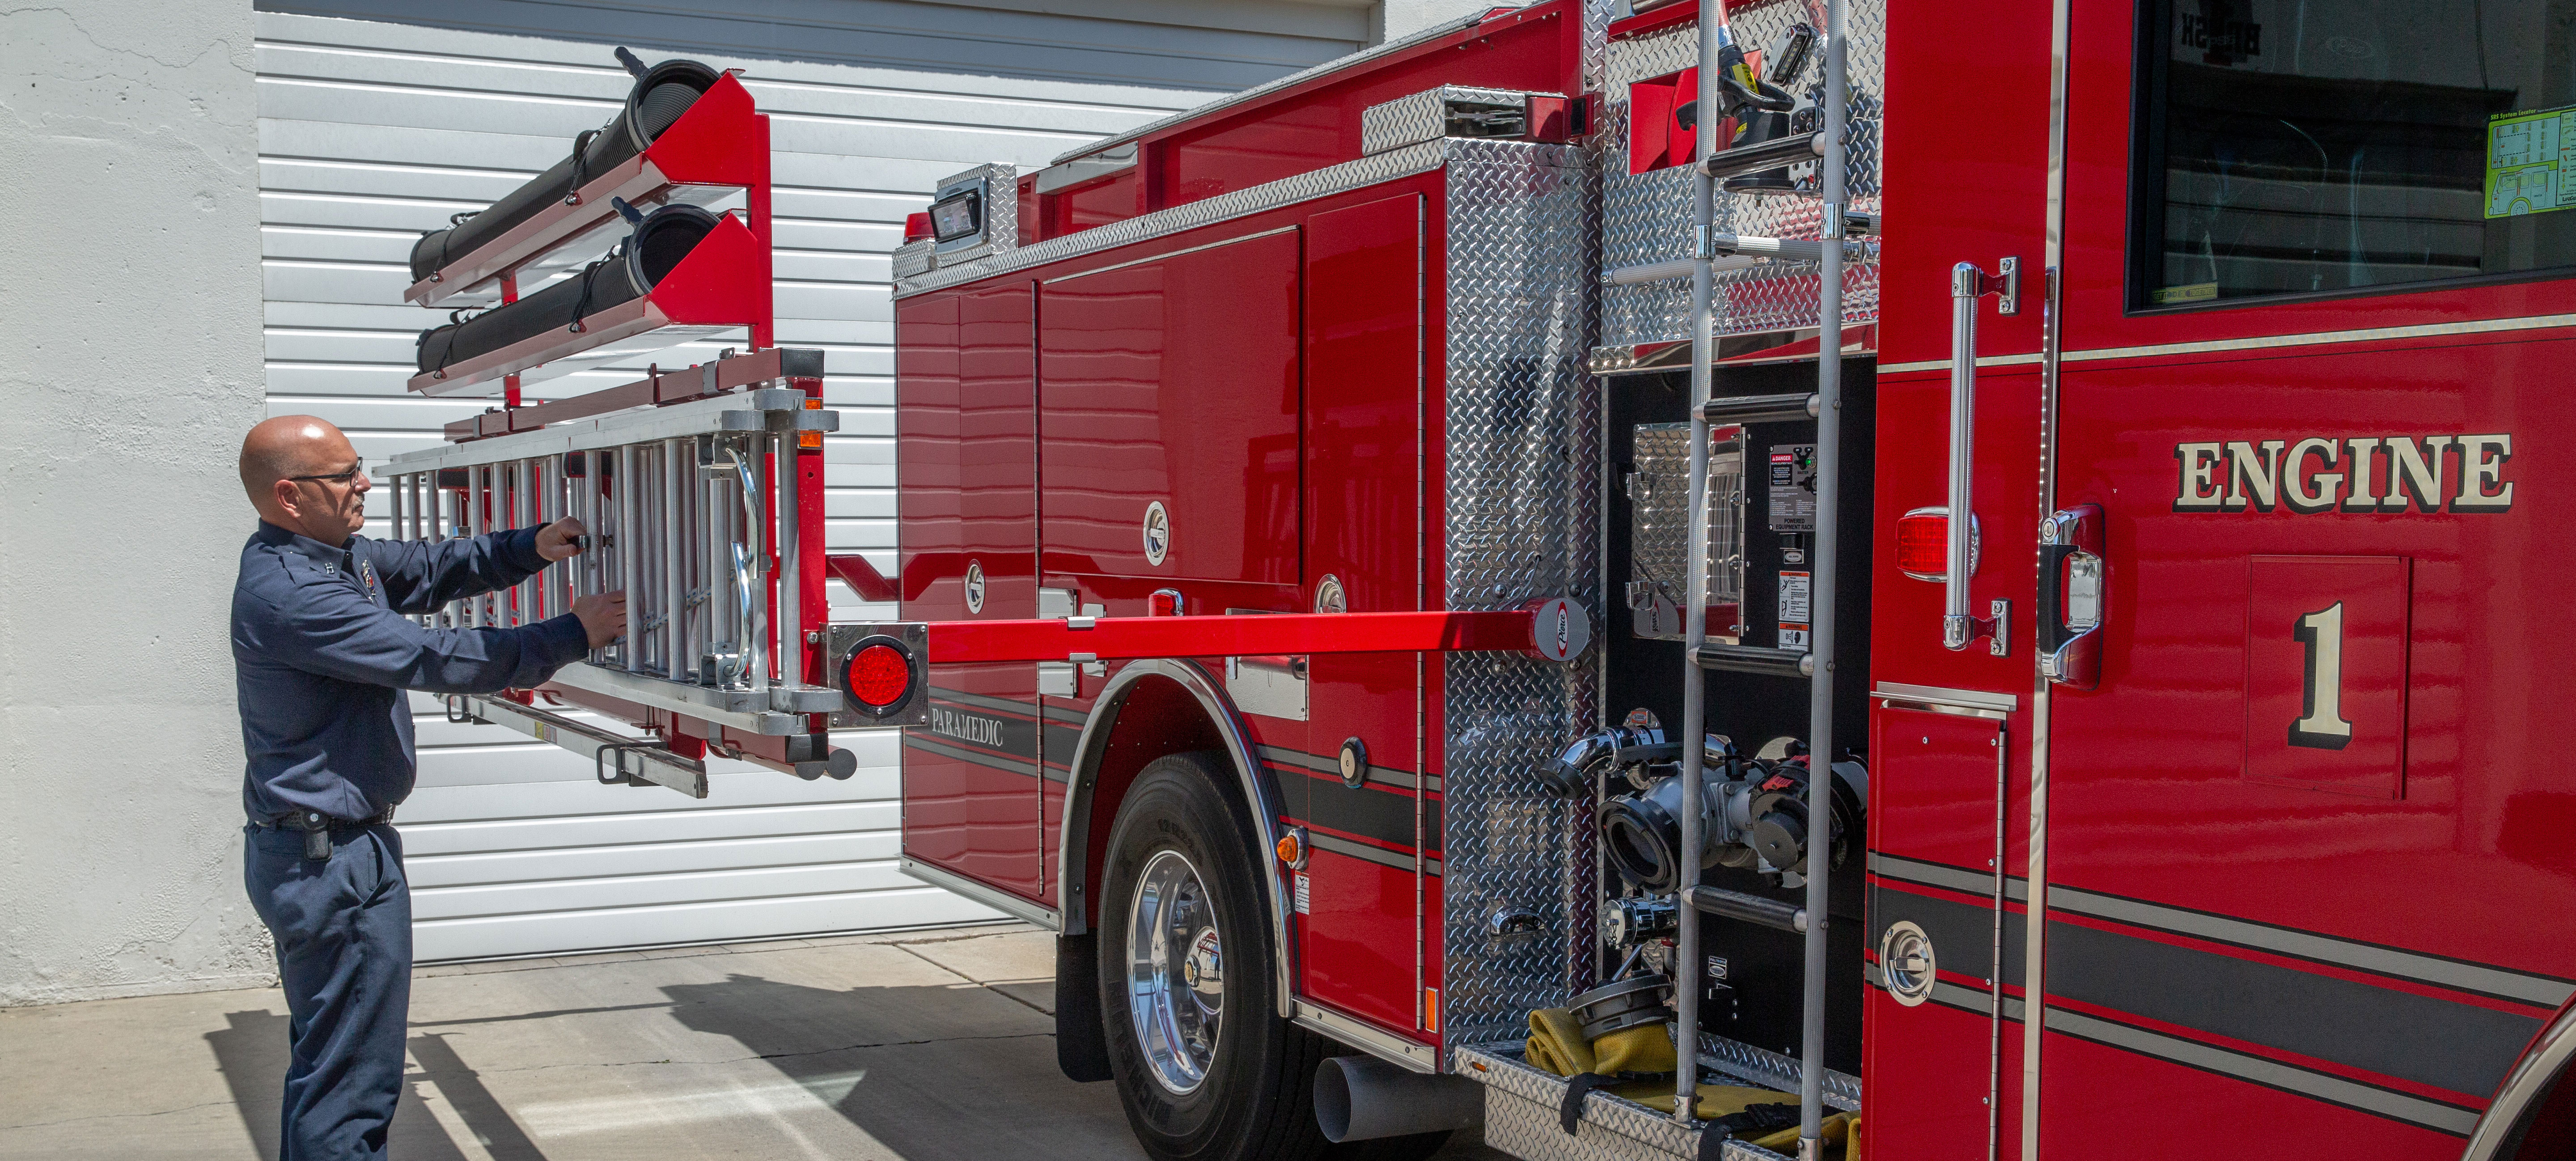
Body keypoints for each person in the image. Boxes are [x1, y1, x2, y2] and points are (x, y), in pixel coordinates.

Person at [231, 415, 625, 1159]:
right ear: (289, 497)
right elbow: (436, 656)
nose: (363, 485)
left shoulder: (334, 558)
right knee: (350, 1089)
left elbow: (434, 566)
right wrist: (572, 633)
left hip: (342, 851)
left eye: (359, 468)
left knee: (337, 1069)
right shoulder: (293, 595)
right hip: (328, 864)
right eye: (343, 476)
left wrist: (528, 545)